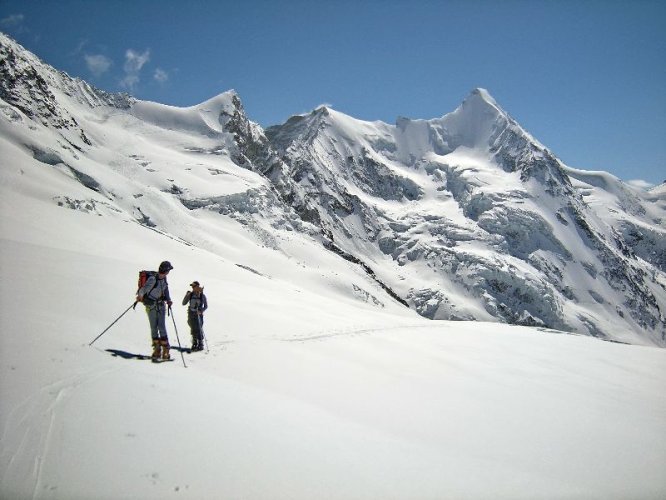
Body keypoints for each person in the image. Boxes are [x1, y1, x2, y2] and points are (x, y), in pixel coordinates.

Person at [137, 261, 174, 360]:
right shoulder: (153, 279)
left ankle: (163, 350)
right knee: (154, 327)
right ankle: (159, 350)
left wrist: (168, 299)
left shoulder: (164, 279)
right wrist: (140, 296)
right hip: (152, 305)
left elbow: (165, 290)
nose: (168, 272)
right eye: (168, 270)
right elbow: (144, 289)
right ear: (166, 270)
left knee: (160, 326)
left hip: (160, 305)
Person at [182, 281, 208, 351]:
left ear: (197, 287)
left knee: (199, 328)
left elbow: (206, 306)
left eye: (194, 286)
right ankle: (195, 343)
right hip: (191, 314)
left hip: (198, 314)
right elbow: (184, 303)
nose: (192, 288)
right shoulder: (190, 295)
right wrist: (187, 295)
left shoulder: (202, 296)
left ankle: (200, 343)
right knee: (193, 328)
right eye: (192, 286)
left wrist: (201, 311)